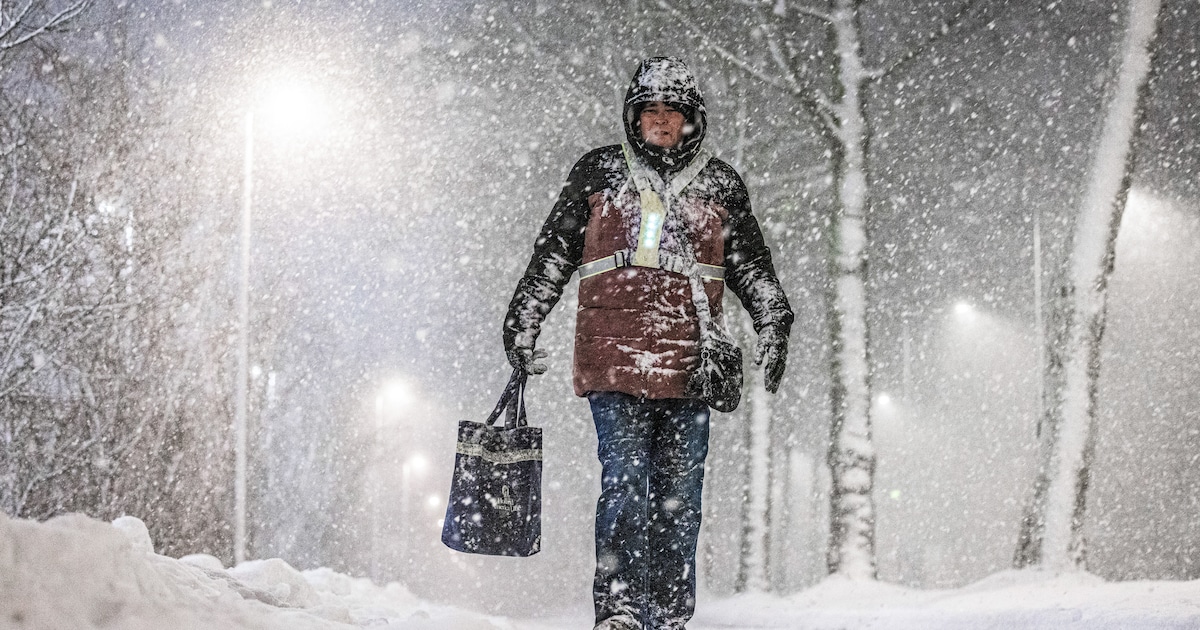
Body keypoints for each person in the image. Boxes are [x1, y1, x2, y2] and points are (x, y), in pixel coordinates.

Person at [503, 57, 793, 630]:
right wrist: (523, 321)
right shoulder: (598, 173)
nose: (661, 121)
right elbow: (553, 257)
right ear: (634, 116)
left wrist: (773, 319)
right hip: (613, 359)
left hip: (691, 363)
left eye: (673, 111)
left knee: (680, 496)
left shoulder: (719, 183)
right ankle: (620, 608)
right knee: (626, 482)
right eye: (651, 110)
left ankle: (668, 614)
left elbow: (750, 266)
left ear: (692, 119)